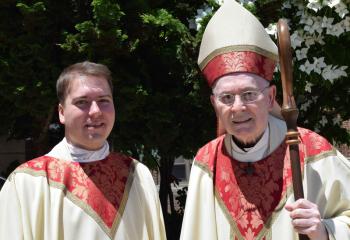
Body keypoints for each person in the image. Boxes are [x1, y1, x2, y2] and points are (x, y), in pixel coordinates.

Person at [180, 1, 350, 240]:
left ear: (270, 97)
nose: (238, 107)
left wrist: (324, 230)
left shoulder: (312, 152)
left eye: (249, 94)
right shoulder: (206, 164)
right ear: (214, 104)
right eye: (226, 98)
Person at [0, 61, 166, 240]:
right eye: (82, 102)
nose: (95, 111)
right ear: (62, 112)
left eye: (104, 101)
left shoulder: (138, 176)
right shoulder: (28, 182)